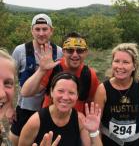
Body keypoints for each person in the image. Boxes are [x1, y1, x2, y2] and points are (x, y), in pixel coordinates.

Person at [9, 13, 63, 146]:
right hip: (25, 108)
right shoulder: (20, 51)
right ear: (31, 30)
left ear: (51, 30)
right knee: (16, 141)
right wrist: (9, 107)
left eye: (45, 29)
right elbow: (9, 80)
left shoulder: (59, 52)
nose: (41, 33)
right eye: (37, 29)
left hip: (49, 110)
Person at [21, 31, 100, 113]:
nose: (75, 55)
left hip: (75, 123)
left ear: (86, 52)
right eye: (70, 50)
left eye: (80, 51)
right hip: (49, 121)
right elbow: (25, 92)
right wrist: (41, 70)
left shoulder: (90, 74)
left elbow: (92, 102)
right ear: (63, 51)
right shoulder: (53, 68)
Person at [18, 72, 102, 146]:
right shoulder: (35, 122)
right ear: (51, 92)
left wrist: (94, 132)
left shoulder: (80, 120)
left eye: (71, 93)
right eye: (60, 91)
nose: (65, 97)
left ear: (77, 96)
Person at [94, 43, 139, 146]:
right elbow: (96, 124)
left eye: (126, 62)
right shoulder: (103, 89)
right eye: (116, 61)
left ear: (134, 66)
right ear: (112, 63)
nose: (120, 66)